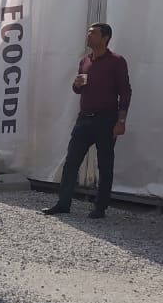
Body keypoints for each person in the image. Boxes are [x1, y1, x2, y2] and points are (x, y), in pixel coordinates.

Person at [41, 22, 131, 220]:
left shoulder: (116, 61)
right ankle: (63, 203)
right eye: (88, 33)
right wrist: (76, 84)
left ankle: (100, 207)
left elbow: (125, 92)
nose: (88, 36)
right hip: (84, 119)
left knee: (105, 165)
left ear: (105, 37)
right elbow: (78, 88)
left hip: (107, 120)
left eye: (93, 33)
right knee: (71, 162)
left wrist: (121, 121)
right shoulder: (85, 61)